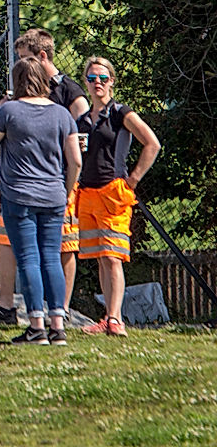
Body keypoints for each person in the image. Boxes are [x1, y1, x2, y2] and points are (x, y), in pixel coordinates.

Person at [0, 28, 89, 325]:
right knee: (11, 241)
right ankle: (13, 308)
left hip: (49, 184)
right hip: (47, 187)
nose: (22, 65)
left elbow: (83, 138)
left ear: (41, 57)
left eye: (25, 59)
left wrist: (69, 184)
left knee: (58, 250)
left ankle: (55, 313)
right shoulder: (26, 106)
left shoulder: (68, 92)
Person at [76, 56, 161, 337]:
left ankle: (115, 319)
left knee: (113, 256)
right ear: (86, 83)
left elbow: (152, 143)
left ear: (111, 81)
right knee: (101, 256)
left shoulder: (121, 113)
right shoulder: (82, 120)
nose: (97, 83)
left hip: (114, 193)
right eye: (91, 78)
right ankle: (108, 317)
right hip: (87, 193)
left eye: (102, 78)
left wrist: (134, 178)